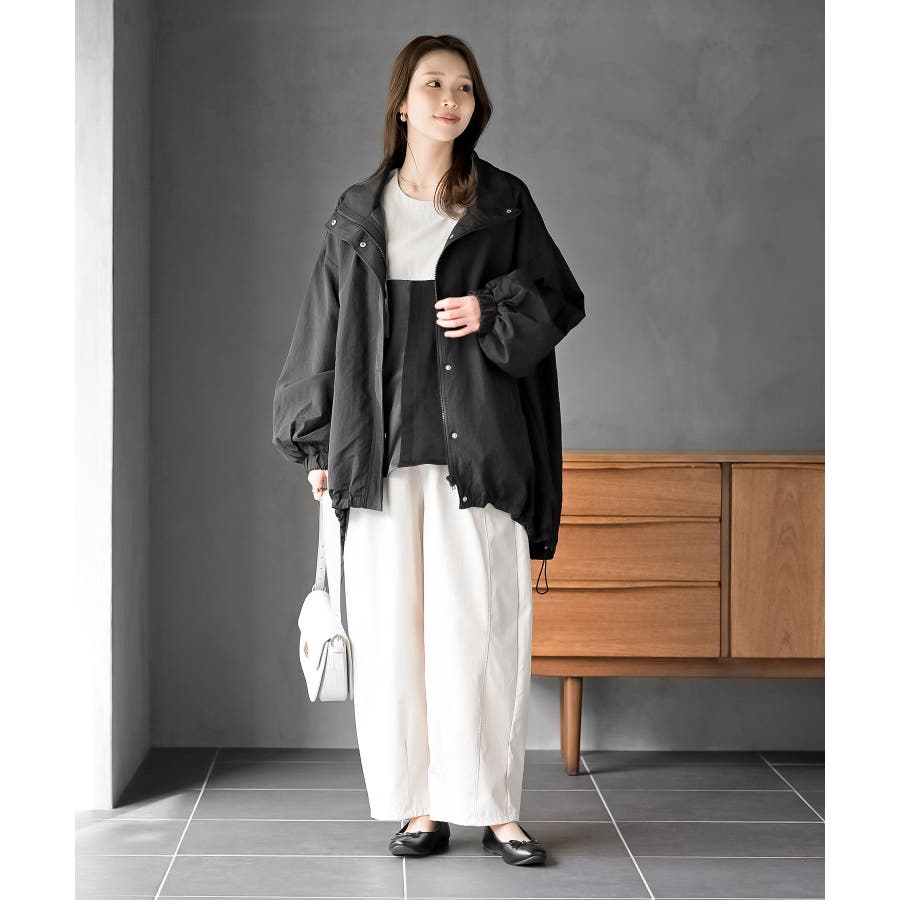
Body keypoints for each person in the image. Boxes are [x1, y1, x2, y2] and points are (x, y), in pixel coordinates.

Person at [273, 34, 585, 867]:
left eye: (464, 87)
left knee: (482, 633)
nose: (450, 99)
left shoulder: (503, 203)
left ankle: (498, 809)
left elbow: (559, 298)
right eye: (433, 84)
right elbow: (323, 328)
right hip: (379, 458)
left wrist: (491, 309)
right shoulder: (358, 212)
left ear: (476, 106)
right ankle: (420, 807)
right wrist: (315, 443)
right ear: (403, 104)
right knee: (394, 642)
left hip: (481, 455)